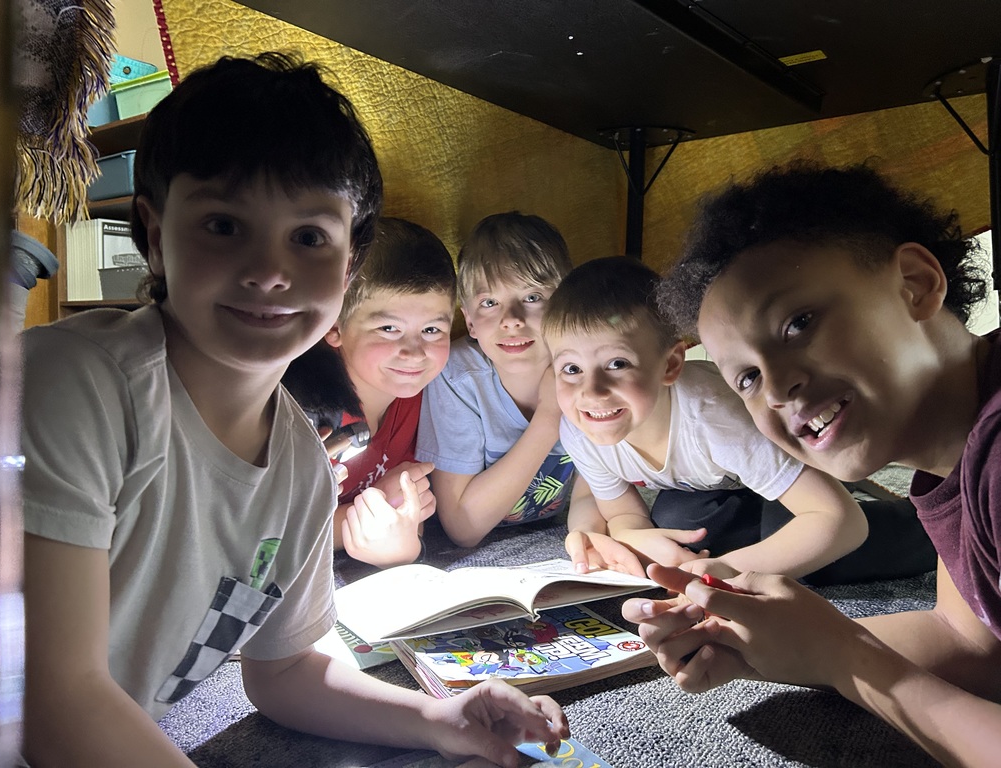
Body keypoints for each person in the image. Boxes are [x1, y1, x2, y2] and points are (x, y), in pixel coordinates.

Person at [20, 52, 567, 768]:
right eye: (222, 225)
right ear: (154, 235)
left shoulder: (303, 463)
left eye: (308, 237)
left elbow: (284, 670)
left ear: (347, 269)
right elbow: (50, 699)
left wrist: (440, 718)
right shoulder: (75, 384)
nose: (269, 271)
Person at [623, 161, 1001, 767]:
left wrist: (844, 661)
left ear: (914, 283)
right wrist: (773, 643)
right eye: (745, 376)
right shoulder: (952, 455)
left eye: (797, 324)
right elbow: (973, 642)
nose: (775, 387)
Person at [543, 255, 924, 584]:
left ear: (671, 364)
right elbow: (623, 512)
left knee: (807, 549)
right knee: (678, 521)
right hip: (732, 484)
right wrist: (635, 537)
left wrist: (724, 570)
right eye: (571, 368)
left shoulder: (714, 419)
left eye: (617, 364)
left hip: (802, 457)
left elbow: (842, 522)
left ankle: (922, 524)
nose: (591, 391)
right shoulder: (581, 427)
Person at [282, 217, 456, 567]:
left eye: (432, 329)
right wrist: (364, 513)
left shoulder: (424, 396)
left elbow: (410, 517)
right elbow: (270, 532)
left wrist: (402, 538)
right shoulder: (302, 408)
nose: (415, 352)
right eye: (388, 328)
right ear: (334, 327)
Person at [415, 212, 581, 548]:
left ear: (565, 304)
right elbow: (463, 526)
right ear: (470, 322)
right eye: (490, 303)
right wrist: (549, 418)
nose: (511, 320)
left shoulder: (587, 366)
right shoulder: (458, 378)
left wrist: (584, 540)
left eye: (532, 297)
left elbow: (594, 492)